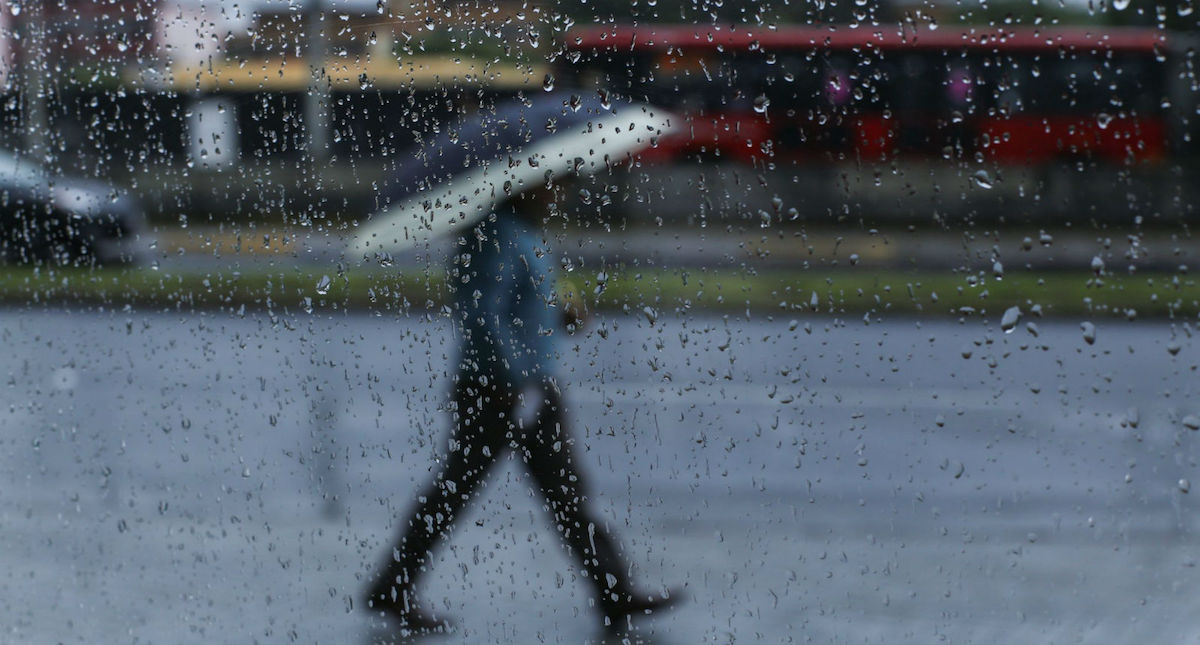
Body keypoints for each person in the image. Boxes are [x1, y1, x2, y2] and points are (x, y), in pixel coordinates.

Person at [363, 183, 679, 636]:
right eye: (549, 184)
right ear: (522, 187)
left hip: (526, 387)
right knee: (468, 491)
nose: (558, 193)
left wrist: (562, 317)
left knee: (552, 493)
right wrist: (509, 378)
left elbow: (519, 310)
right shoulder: (495, 235)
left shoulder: (521, 234)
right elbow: (480, 315)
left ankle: (616, 593)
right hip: (502, 389)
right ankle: (616, 594)